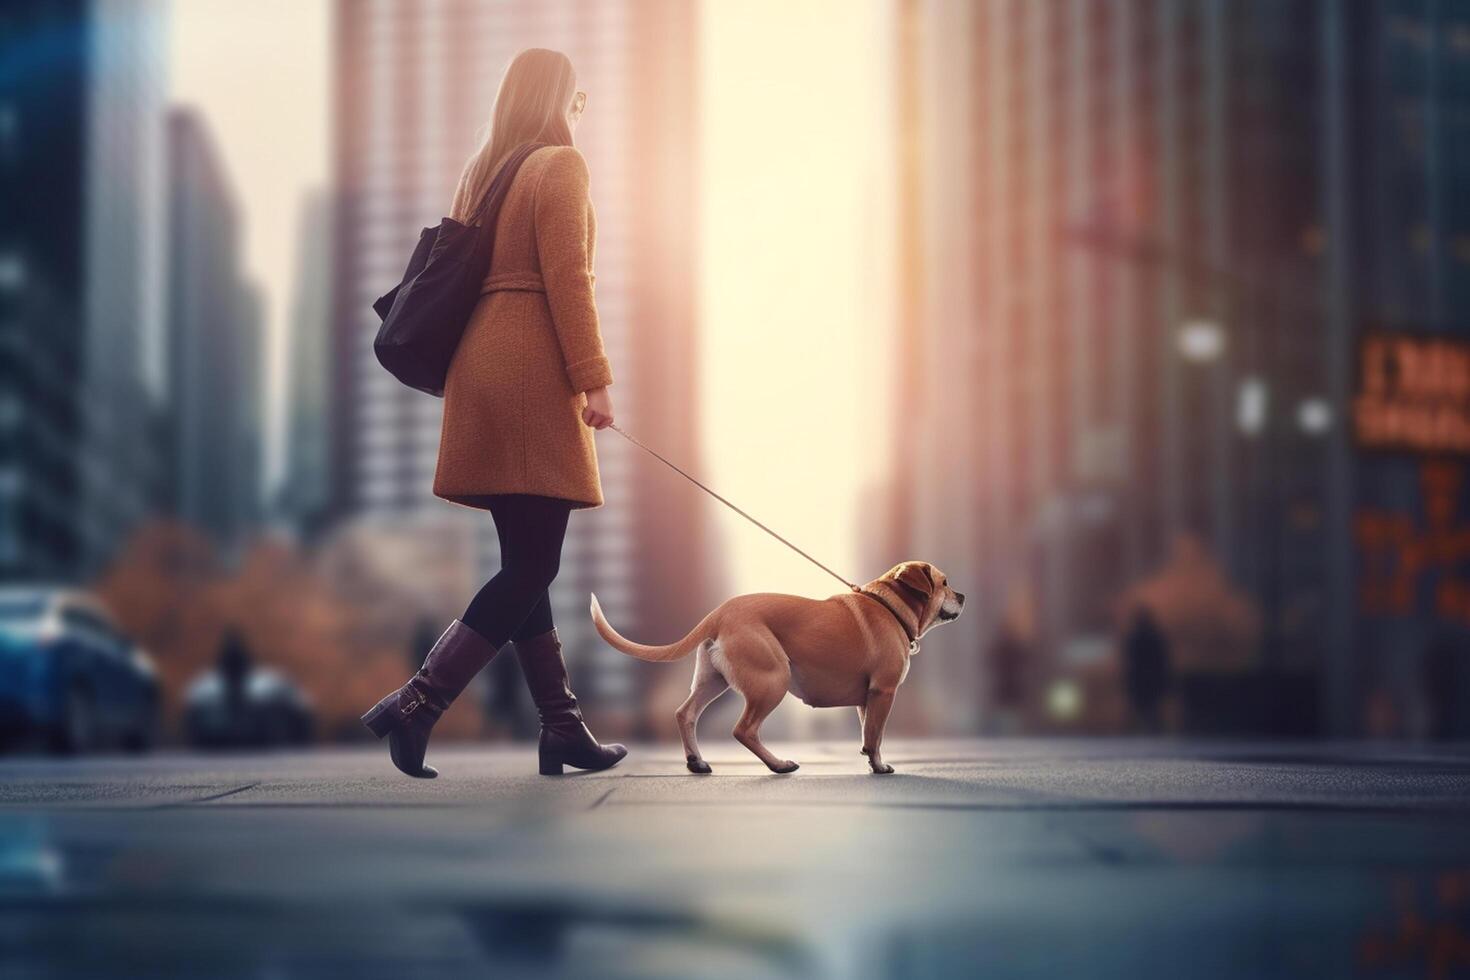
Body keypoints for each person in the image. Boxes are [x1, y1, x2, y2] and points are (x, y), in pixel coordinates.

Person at [362, 48, 626, 779]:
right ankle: (417, 703)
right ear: (562, 99)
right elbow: (568, 277)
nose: (581, 113)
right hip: (529, 367)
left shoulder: (484, 173)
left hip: (481, 363)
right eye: (579, 99)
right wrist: (593, 378)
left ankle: (562, 727)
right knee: (537, 560)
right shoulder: (560, 166)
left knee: (525, 561)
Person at [1121, 605, 1170, 734]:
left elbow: (1130, 661)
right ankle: (1150, 732)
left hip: (1142, 680)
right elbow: (1162, 660)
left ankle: (1140, 732)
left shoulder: (1136, 638)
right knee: (1150, 711)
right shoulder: (1153, 637)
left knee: (1143, 710)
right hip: (1149, 679)